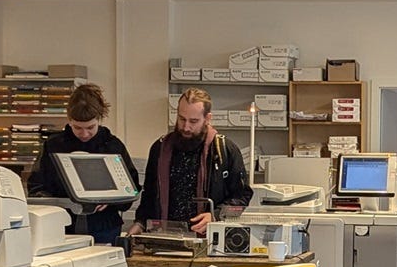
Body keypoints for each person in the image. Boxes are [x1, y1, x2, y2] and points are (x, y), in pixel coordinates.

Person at [26, 82, 140, 245]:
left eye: (90, 127)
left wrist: (111, 199)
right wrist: (55, 202)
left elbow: (131, 189)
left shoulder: (112, 146)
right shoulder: (54, 146)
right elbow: (37, 186)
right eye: (78, 128)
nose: (84, 134)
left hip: (104, 227)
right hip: (62, 225)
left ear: (99, 119)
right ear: (69, 120)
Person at [132, 89, 252, 236]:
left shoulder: (225, 150)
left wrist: (216, 215)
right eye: (182, 119)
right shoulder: (160, 149)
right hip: (165, 236)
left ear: (207, 119)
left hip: (208, 237)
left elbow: (242, 196)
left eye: (193, 121)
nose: (186, 127)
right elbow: (149, 195)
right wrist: (140, 222)